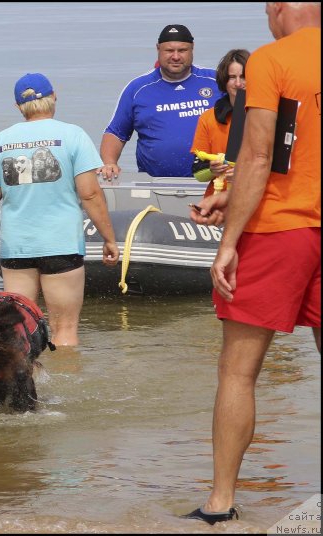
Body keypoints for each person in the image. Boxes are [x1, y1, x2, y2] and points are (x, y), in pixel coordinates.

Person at [185, 2, 320, 525]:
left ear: (280, 7)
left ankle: (220, 503)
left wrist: (228, 240)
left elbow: (262, 155)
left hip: (281, 227)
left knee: (238, 372)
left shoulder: (271, 59)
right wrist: (231, 193)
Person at [0, 73, 120, 346]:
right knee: (64, 329)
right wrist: (109, 239)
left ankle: (25, 385)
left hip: (17, 246)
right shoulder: (73, 135)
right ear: (53, 97)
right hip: (61, 243)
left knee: (19, 331)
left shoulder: (2, 141)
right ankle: (66, 385)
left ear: (18, 106)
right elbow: (90, 193)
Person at [98, 24, 222, 180]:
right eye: (169, 50)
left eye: (182, 50)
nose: (176, 56)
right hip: (154, 183)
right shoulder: (137, 88)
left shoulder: (216, 81)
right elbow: (115, 133)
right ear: (158, 49)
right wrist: (110, 163)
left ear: (192, 48)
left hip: (211, 180)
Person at [189, 48, 250, 194]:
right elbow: (198, 174)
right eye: (232, 77)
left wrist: (247, 173)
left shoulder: (269, 116)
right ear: (224, 80)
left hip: (256, 199)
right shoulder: (208, 118)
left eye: (243, 77)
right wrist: (212, 169)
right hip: (217, 199)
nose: (238, 83)